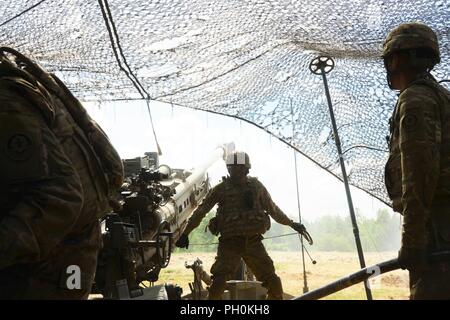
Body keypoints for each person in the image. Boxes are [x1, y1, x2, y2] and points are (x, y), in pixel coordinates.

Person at [0, 47, 124, 299]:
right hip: (71, 258)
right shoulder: (23, 80)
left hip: (49, 270)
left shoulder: (6, 99)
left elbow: (60, 198)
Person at [176, 151, 312, 300]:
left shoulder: (255, 187)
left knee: (273, 282)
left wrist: (292, 224)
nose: (235, 171)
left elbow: (273, 209)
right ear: (228, 169)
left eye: (238, 168)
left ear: (246, 169)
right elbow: (201, 212)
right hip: (230, 244)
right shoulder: (222, 189)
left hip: (252, 242)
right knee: (219, 284)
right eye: (232, 168)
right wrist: (185, 233)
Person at [383, 23, 450, 299]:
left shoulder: (416, 99)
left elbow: (419, 174)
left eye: (389, 60)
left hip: (437, 227)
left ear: (398, 58)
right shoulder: (441, 97)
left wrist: (412, 239)